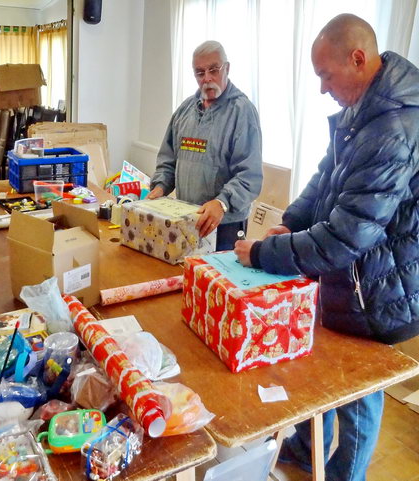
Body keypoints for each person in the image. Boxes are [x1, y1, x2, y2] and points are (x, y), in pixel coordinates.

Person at [234, 14, 419, 481]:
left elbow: (344, 238)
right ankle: (303, 447)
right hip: (355, 278)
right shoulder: (366, 108)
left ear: (358, 60)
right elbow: (324, 178)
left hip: (381, 290)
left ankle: (343, 475)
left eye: (325, 75)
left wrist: (260, 254)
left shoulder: (393, 129)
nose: (321, 89)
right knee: (318, 368)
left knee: (356, 391)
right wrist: (290, 222)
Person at [148, 40, 263, 250]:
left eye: (213, 70)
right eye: (200, 73)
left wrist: (222, 203)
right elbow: (168, 160)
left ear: (227, 68)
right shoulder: (185, 111)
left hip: (224, 225)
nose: (207, 78)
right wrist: (160, 186)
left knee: (217, 280)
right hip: (186, 219)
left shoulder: (241, 112)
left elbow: (250, 176)